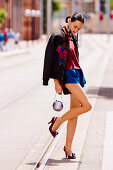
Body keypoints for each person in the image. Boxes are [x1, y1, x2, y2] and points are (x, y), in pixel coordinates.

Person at [42, 13, 92, 159]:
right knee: (87, 106)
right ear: (69, 21)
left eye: (79, 28)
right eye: (75, 26)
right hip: (68, 76)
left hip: (77, 73)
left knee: (75, 113)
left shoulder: (73, 36)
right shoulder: (58, 36)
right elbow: (49, 59)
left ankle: (68, 148)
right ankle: (57, 122)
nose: (76, 29)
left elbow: (74, 57)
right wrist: (55, 81)